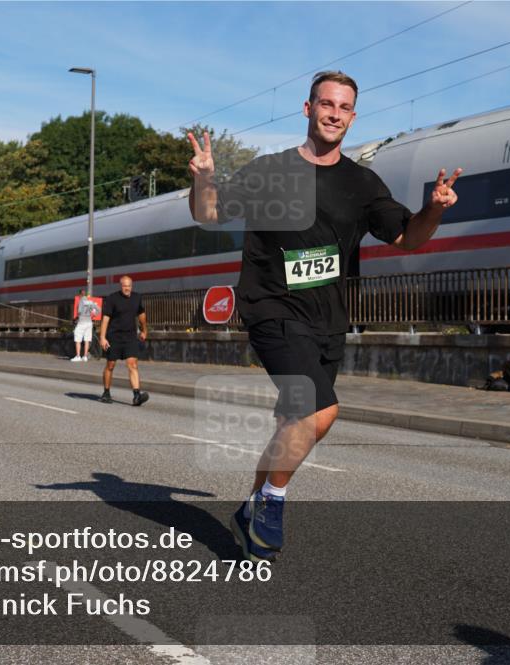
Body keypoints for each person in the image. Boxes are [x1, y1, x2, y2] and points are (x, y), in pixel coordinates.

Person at [188, 71, 461, 562]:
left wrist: (434, 209)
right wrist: (203, 178)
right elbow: (208, 214)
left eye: (344, 107)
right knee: (319, 408)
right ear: (308, 108)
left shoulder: (362, 183)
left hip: (328, 319)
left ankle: (250, 510)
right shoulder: (268, 171)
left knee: (294, 420)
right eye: (326, 103)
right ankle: (272, 502)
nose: (335, 113)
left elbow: (408, 239)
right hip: (271, 309)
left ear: (352, 117)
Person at [98, 276, 149, 406]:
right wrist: (103, 337)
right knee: (110, 365)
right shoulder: (112, 298)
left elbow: (141, 314)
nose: (127, 288)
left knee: (133, 364)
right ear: (121, 286)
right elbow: (105, 319)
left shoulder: (137, 298)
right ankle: (106, 393)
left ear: (132, 285)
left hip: (130, 337)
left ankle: (137, 396)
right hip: (114, 337)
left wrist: (144, 330)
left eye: (129, 286)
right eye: (125, 286)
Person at [71, 288, 97, 362]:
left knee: (78, 339)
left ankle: (78, 356)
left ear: (80, 295)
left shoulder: (81, 301)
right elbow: (94, 312)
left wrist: (75, 319)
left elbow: (79, 312)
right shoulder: (90, 301)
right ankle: (85, 356)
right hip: (89, 323)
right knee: (87, 340)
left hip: (82, 322)